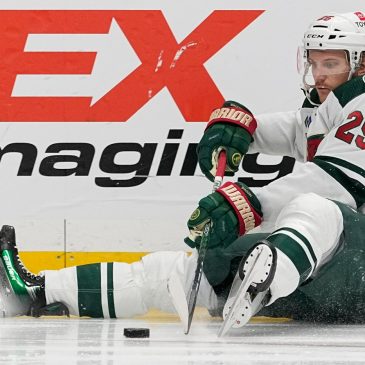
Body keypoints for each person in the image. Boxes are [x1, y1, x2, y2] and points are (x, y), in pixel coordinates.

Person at [1, 12, 365, 328]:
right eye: (314, 63)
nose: (318, 75)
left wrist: (250, 203)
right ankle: (34, 291)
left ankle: (271, 278)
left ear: (362, 63)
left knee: (317, 208)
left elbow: (338, 182)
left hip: (355, 270)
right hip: (334, 282)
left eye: (330, 64)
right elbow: (296, 130)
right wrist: (243, 128)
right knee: (176, 274)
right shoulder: (333, 108)